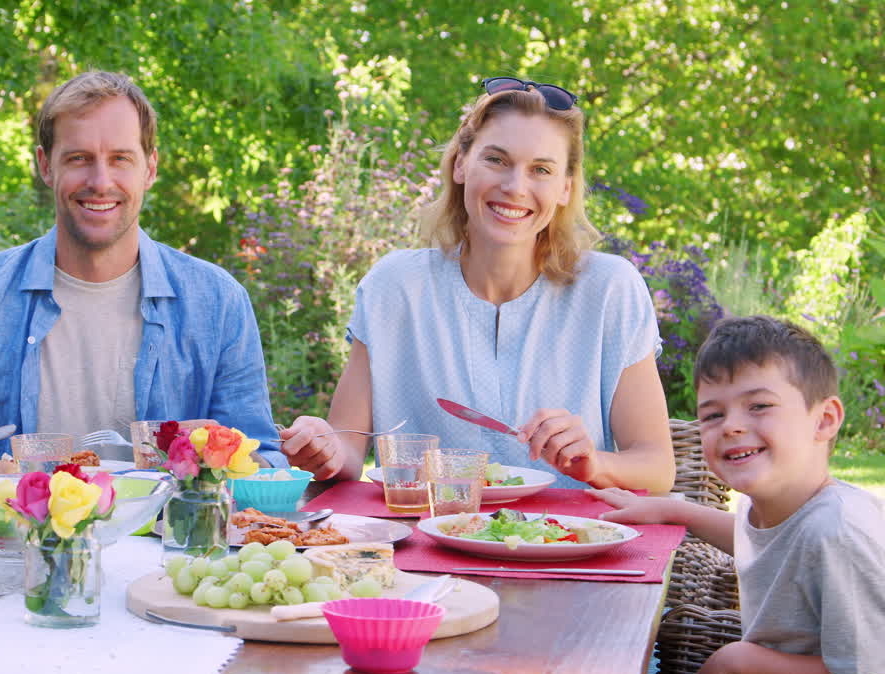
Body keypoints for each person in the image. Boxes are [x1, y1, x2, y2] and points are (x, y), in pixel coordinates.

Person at [0, 70, 284, 476]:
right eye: (79, 158)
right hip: (6, 548)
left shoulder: (218, 301)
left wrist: (216, 456)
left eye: (121, 159)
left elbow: (263, 460)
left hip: (166, 547)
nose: (100, 181)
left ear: (150, 169)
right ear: (46, 166)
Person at [281, 77, 674, 491]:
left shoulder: (610, 289)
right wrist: (320, 447)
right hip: (420, 542)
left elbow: (656, 468)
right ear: (460, 164)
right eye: (496, 160)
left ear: (565, 188)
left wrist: (594, 464)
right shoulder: (395, 287)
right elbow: (346, 448)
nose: (515, 187)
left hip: (566, 547)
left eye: (540, 169)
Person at [590, 316, 885, 674]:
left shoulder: (836, 533)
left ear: (825, 420)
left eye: (759, 406)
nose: (731, 426)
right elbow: (766, 543)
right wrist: (669, 508)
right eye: (712, 415)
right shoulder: (775, 506)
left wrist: (740, 663)